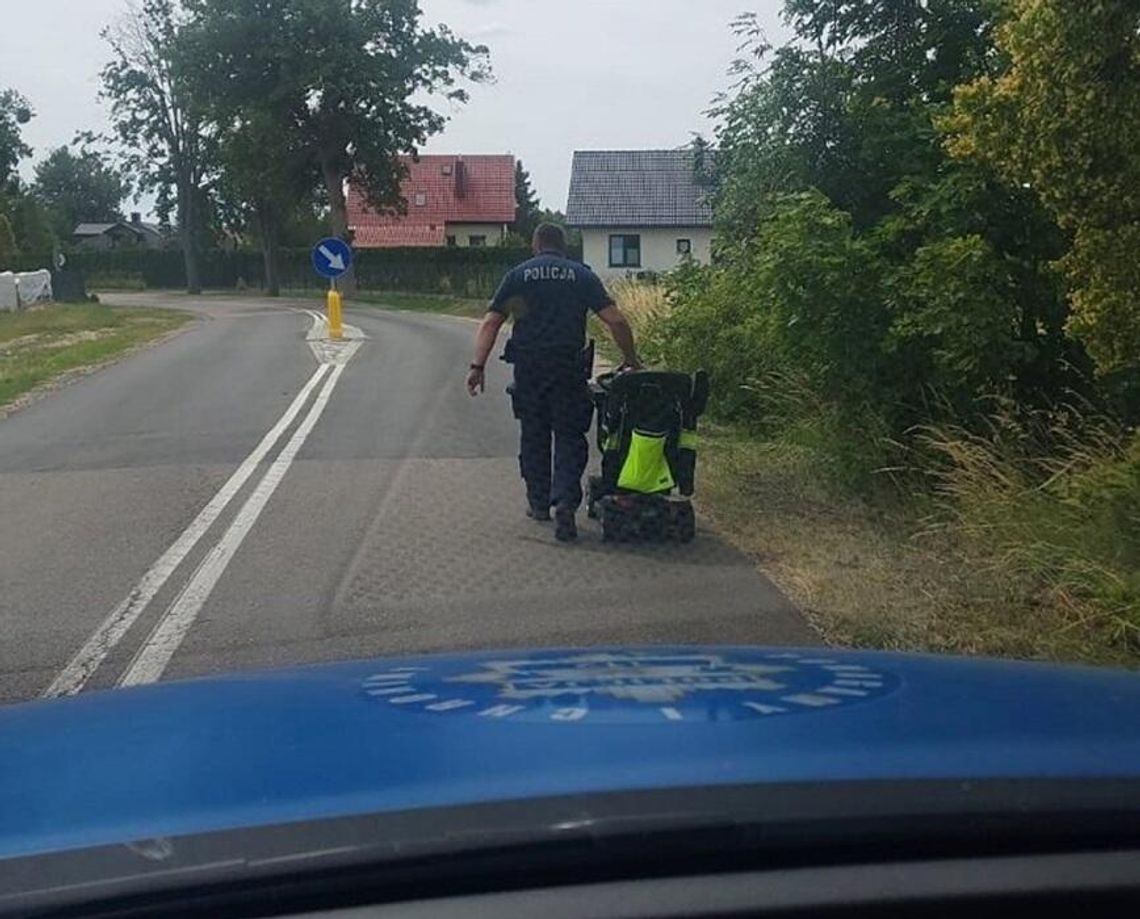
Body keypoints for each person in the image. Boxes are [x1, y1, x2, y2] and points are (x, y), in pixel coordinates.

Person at [467, 223, 641, 542]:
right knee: (569, 435)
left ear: (536, 244)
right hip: (569, 370)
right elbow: (615, 319)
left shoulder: (519, 276)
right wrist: (631, 359)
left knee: (534, 435)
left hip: (530, 369)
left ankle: (538, 504)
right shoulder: (581, 276)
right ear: (563, 247)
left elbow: (492, 322)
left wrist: (477, 366)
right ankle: (564, 502)